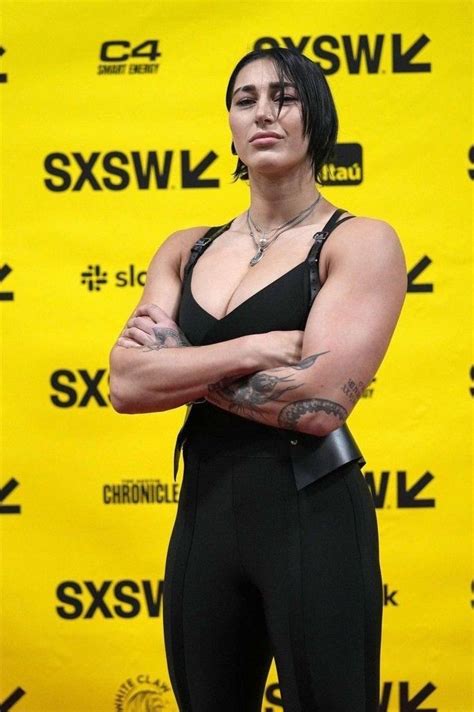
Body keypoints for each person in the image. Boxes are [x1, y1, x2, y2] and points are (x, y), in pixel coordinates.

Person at [109, 47, 407, 712]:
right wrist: (252, 349)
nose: (264, 112)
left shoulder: (358, 241)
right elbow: (126, 384)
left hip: (314, 514)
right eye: (246, 100)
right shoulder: (186, 249)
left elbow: (319, 401)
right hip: (203, 516)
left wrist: (177, 365)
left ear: (316, 119)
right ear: (232, 128)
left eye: (284, 97)